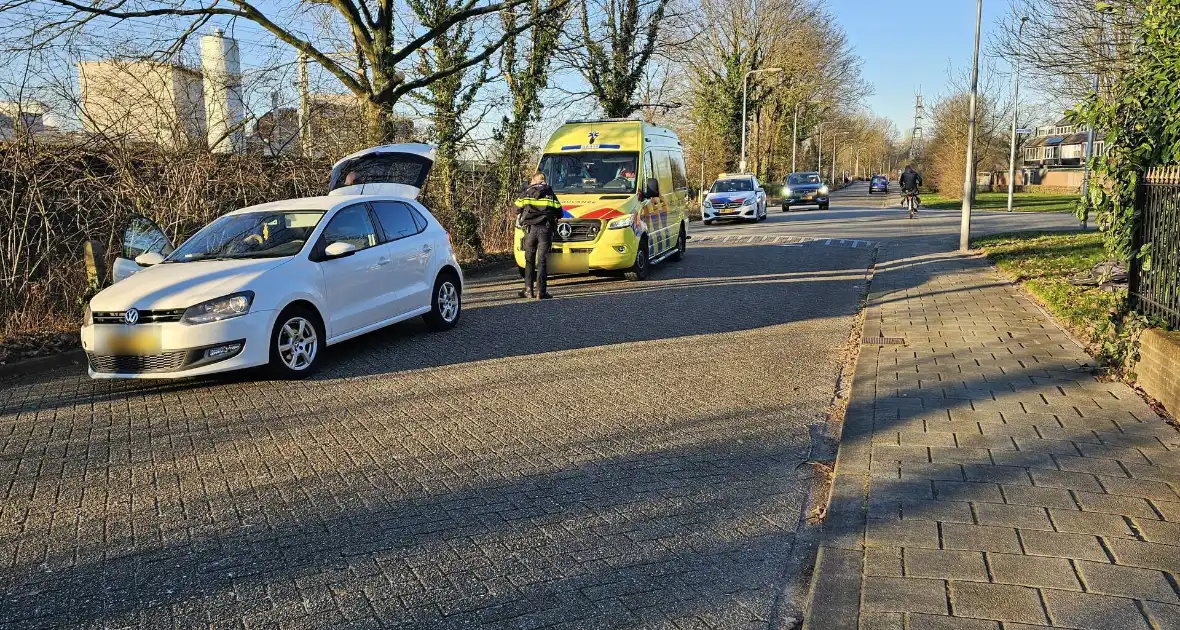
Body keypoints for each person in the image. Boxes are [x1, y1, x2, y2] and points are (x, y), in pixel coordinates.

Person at [514, 172, 562, 299]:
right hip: (545, 230)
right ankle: (541, 291)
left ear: (534, 181)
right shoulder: (550, 193)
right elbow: (559, 211)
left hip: (530, 230)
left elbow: (516, 208)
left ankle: (528, 290)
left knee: (529, 261)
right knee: (542, 261)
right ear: (543, 181)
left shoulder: (527, 193)